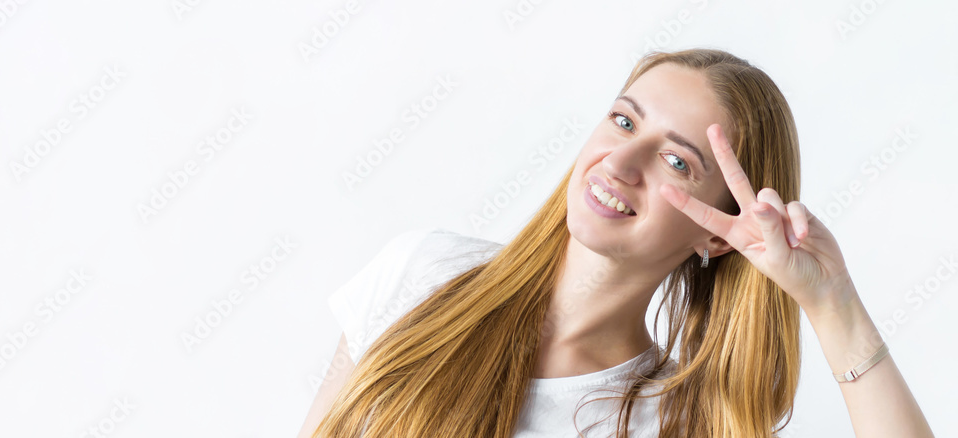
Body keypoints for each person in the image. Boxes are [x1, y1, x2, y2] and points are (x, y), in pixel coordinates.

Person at [299, 48, 935, 437]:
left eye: (678, 163)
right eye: (624, 120)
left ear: (719, 236)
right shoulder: (422, 272)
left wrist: (833, 304)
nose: (621, 161)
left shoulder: (683, 423)